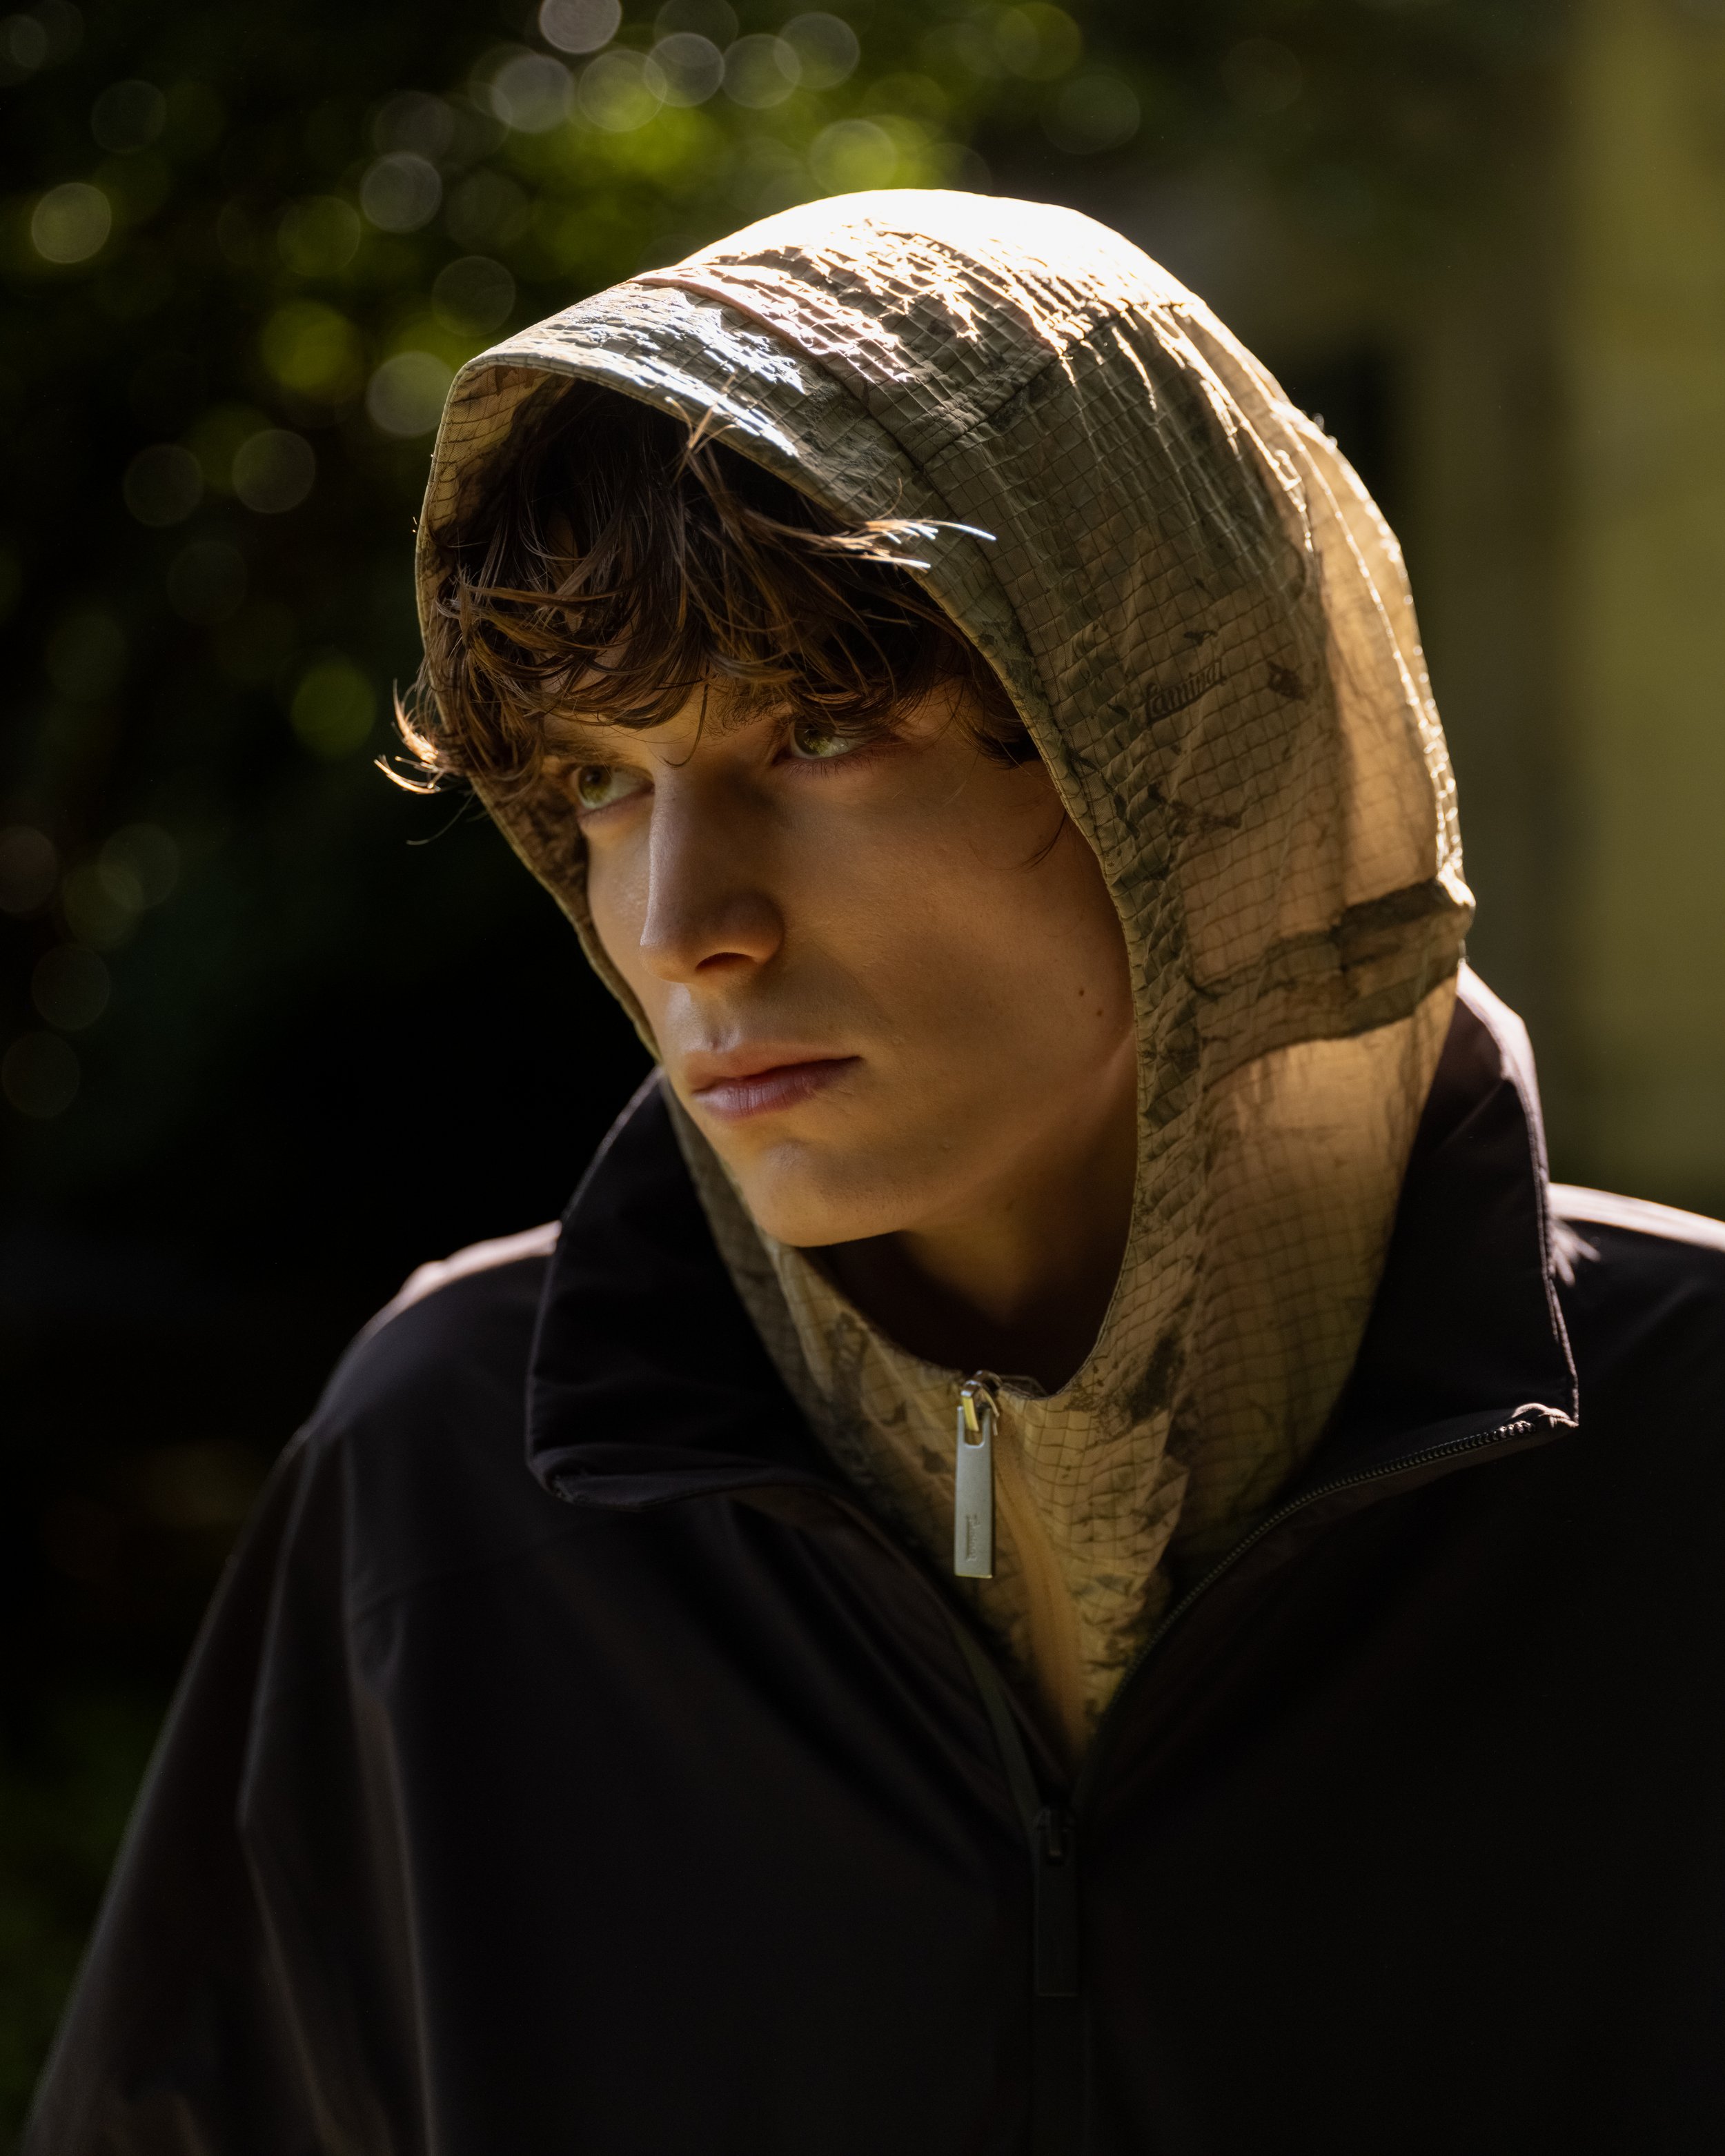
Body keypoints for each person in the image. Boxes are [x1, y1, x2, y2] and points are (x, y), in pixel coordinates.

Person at [27, 190, 1725, 2155]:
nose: (683, 925)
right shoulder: (446, 1480)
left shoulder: (1692, 1458)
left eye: (823, 733)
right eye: (600, 780)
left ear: (1186, 747)